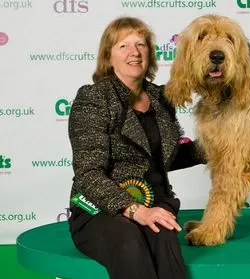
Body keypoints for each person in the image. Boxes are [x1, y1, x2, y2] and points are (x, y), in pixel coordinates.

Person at [67, 16, 205, 279]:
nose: (134, 52)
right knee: (127, 238)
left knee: (164, 237)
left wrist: (219, 149)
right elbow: (88, 174)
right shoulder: (94, 98)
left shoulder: (161, 98)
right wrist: (135, 210)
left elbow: (163, 157)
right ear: (108, 56)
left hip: (155, 205)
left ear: (150, 54)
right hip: (100, 211)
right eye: (123, 46)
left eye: (141, 45)